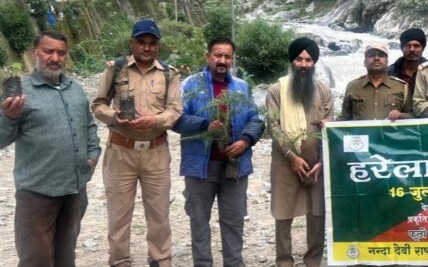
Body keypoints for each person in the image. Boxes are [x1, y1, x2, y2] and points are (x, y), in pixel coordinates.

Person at [0, 31, 101, 266]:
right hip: (37, 194)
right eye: (48, 51)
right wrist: (8, 117)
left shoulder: (75, 89)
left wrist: (93, 156)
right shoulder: (19, 91)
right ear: (34, 53)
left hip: (74, 191)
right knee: (36, 259)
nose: (55, 58)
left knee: (66, 256)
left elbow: (89, 126)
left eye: (61, 53)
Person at [91, 19, 182, 267]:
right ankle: (120, 261)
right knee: (119, 216)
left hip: (156, 152)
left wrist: (155, 120)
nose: (146, 48)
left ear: (158, 46)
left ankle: (160, 260)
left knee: (159, 215)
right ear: (132, 43)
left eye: (152, 43)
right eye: (141, 42)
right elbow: (97, 105)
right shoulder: (115, 70)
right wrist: (113, 116)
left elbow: (175, 111)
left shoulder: (169, 74)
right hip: (121, 151)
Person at [173, 37, 265, 266]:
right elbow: (176, 120)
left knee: (234, 221)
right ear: (208, 57)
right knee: (199, 221)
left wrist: (245, 141)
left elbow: (256, 119)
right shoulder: (191, 85)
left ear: (232, 60)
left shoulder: (242, 88)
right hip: (200, 166)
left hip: (235, 166)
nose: (222, 60)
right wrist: (205, 125)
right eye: (217, 55)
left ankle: (233, 263)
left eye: (227, 56)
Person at [266, 37, 333, 267]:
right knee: (283, 213)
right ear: (292, 61)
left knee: (317, 214)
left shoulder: (323, 90)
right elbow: (273, 126)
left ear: (314, 63)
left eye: (308, 60)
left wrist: (323, 162)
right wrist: (292, 158)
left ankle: (313, 260)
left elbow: (330, 126)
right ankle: (284, 261)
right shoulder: (276, 90)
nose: (304, 64)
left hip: (317, 163)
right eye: (299, 59)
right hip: (285, 162)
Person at [341, 43, 410, 121]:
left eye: (381, 55)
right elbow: (344, 118)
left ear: (387, 62)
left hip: (391, 133)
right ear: (364, 62)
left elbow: (413, 116)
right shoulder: (353, 86)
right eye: (371, 55)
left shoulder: (401, 87)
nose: (376, 58)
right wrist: (327, 124)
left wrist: (401, 115)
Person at [387, 28, 428, 113]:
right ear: (402, 48)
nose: (412, 49)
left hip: (426, 120)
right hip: (396, 121)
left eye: (416, 46)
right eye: (408, 46)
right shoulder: (389, 73)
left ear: (423, 48)